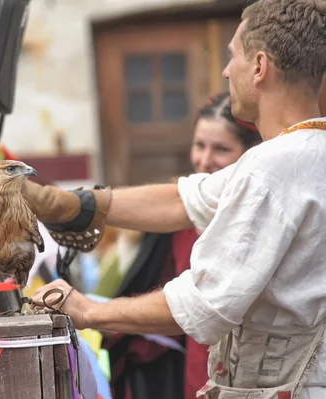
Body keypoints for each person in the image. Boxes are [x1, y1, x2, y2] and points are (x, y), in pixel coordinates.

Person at [24, 1, 326, 397]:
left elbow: (204, 305)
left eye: (231, 56)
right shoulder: (307, 153)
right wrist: (78, 203)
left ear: (259, 67)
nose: (224, 70)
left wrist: (88, 311)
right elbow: (185, 200)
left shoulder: (274, 165)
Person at [103, 91, 262, 399]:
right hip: (195, 374)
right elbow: (165, 298)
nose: (204, 160)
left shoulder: (259, 218)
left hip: (250, 377)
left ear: (250, 154)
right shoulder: (180, 219)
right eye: (199, 145)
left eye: (221, 149)